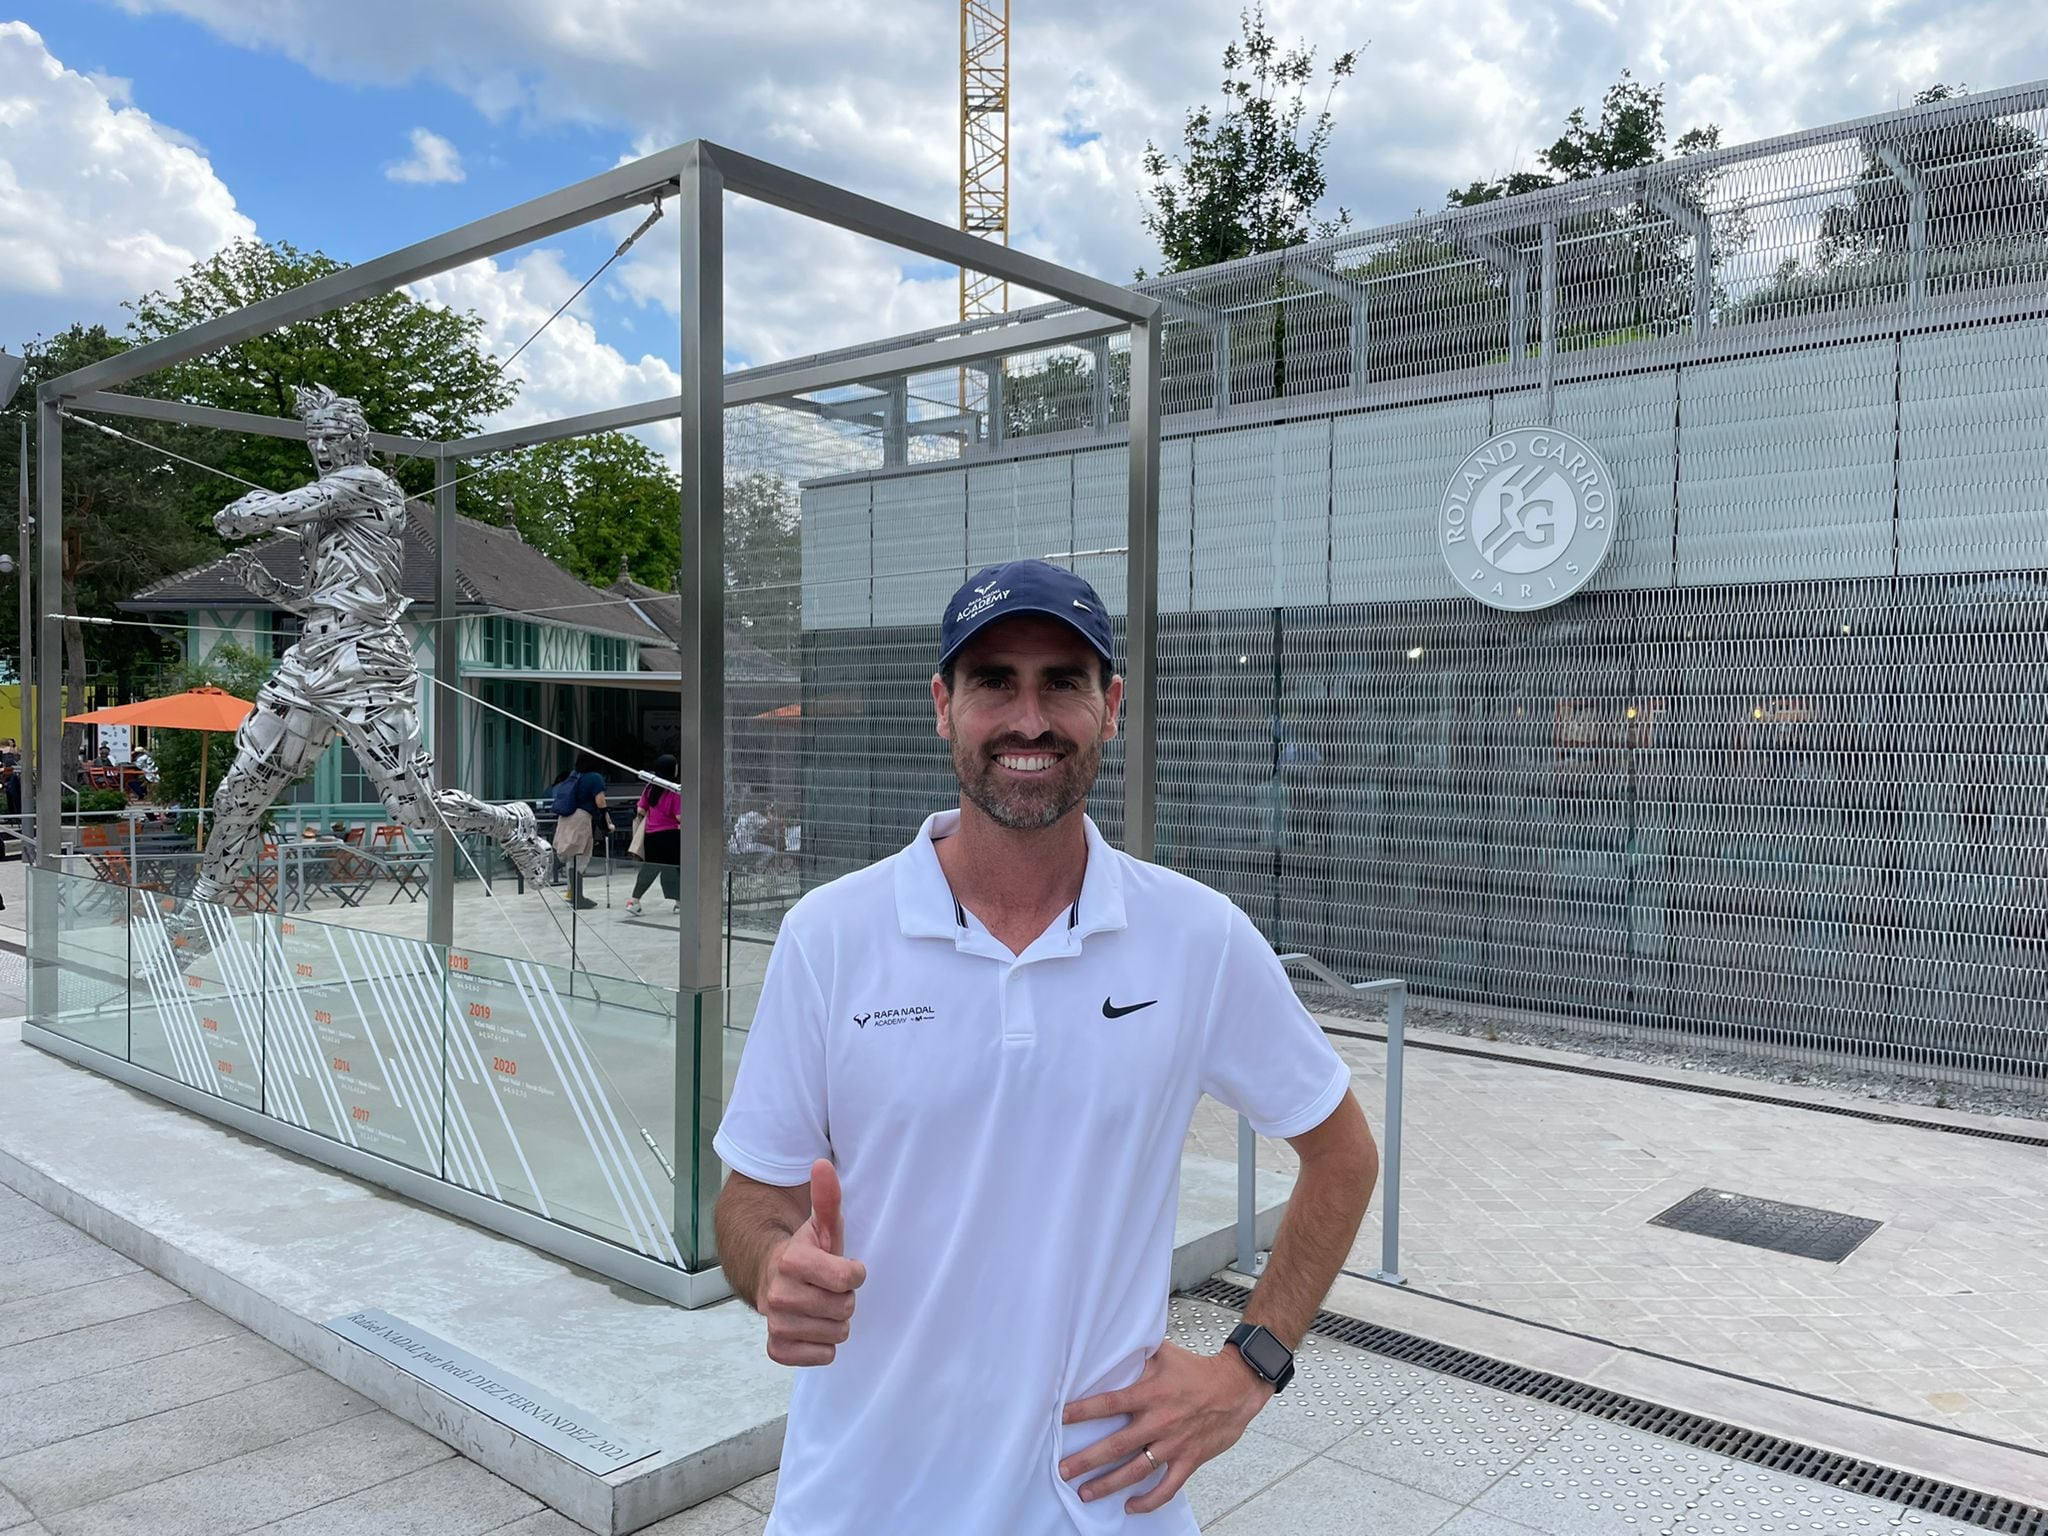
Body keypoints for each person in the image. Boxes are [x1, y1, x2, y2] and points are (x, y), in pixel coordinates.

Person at [713, 559, 1380, 1534]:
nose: (1029, 718)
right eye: (993, 681)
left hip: (1103, 1507)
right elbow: (748, 1199)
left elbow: (1341, 1154)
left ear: (1110, 707)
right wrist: (774, 1269)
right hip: (861, 1501)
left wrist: (1249, 1366)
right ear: (942, 706)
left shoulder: (1194, 938)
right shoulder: (831, 936)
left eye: (1061, 681)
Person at [175, 385, 549, 931]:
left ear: (357, 439)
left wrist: (240, 511)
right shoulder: (327, 513)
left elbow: (260, 513)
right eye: (314, 439)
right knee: (239, 791)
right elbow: (328, 594)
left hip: (365, 660)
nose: (322, 448)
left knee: (413, 809)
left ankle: (507, 822)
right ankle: (202, 912)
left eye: (331, 436)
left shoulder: (367, 484)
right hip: (309, 659)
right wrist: (277, 592)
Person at [624, 753, 681, 916]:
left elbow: (641, 809)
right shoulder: (674, 790)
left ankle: (634, 900)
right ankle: (679, 903)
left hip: (651, 834)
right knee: (675, 869)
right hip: (670, 836)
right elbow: (680, 817)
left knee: (649, 868)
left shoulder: (650, 787)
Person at [550, 753, 608, 910]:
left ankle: (572, 893)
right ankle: (578, 896)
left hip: (565, 818)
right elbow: (600, 801)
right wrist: (606, 821)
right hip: (581, 818)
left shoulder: (574, 775)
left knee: (571, 857)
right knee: (581, 856)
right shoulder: (594, 778)